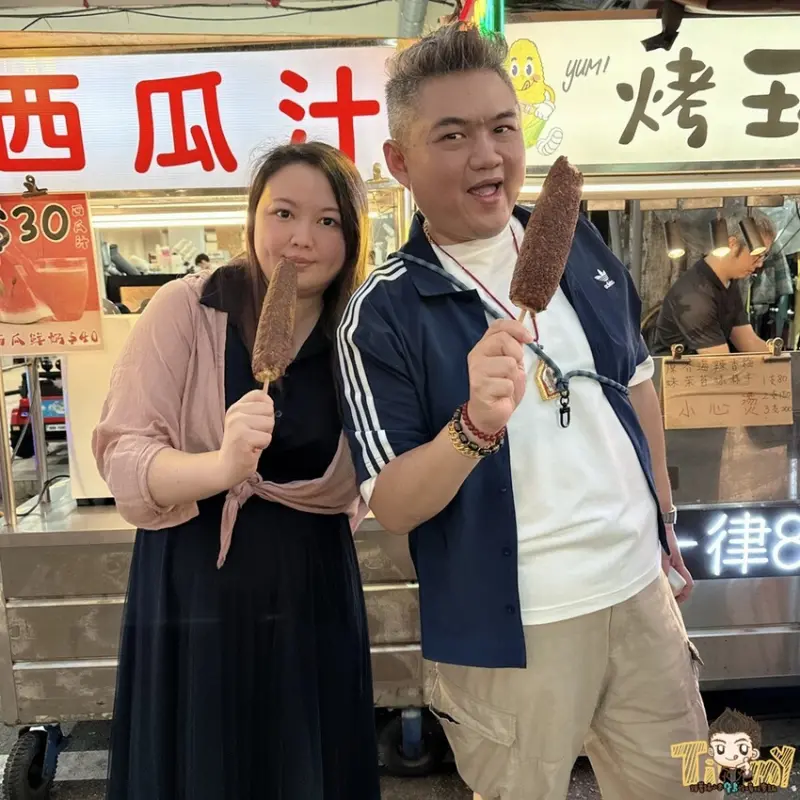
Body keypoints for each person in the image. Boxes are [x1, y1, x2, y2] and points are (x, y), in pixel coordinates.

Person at [335, 23, 707, 800]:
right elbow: (393, 502)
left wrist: (665, 521)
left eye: (503, 128)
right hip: (513, 634)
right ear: (399, 162)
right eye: (453, 135)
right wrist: (474, 425)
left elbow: (635, 382)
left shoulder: (572, 241)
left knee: (688, 787)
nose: (487, 154)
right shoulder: (382, 312)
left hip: (641, 597)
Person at [93, 141, 379, 800]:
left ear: (352, 237)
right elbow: (124, 455)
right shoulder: (186, 308)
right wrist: (219, 465)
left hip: (311, 595)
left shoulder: (361, 336)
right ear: (253, 217)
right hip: (194, 591)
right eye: (284, 213)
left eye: (328, 220)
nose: (302, 238)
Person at [653, 210, 776, 355]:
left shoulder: (728, 282)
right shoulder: (695, 296)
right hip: (685, 369)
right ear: (732, 244)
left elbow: (748, 342)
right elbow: (718, 359)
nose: (760, 264)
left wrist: (787, 359)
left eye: (763, 256)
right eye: (757, 255)